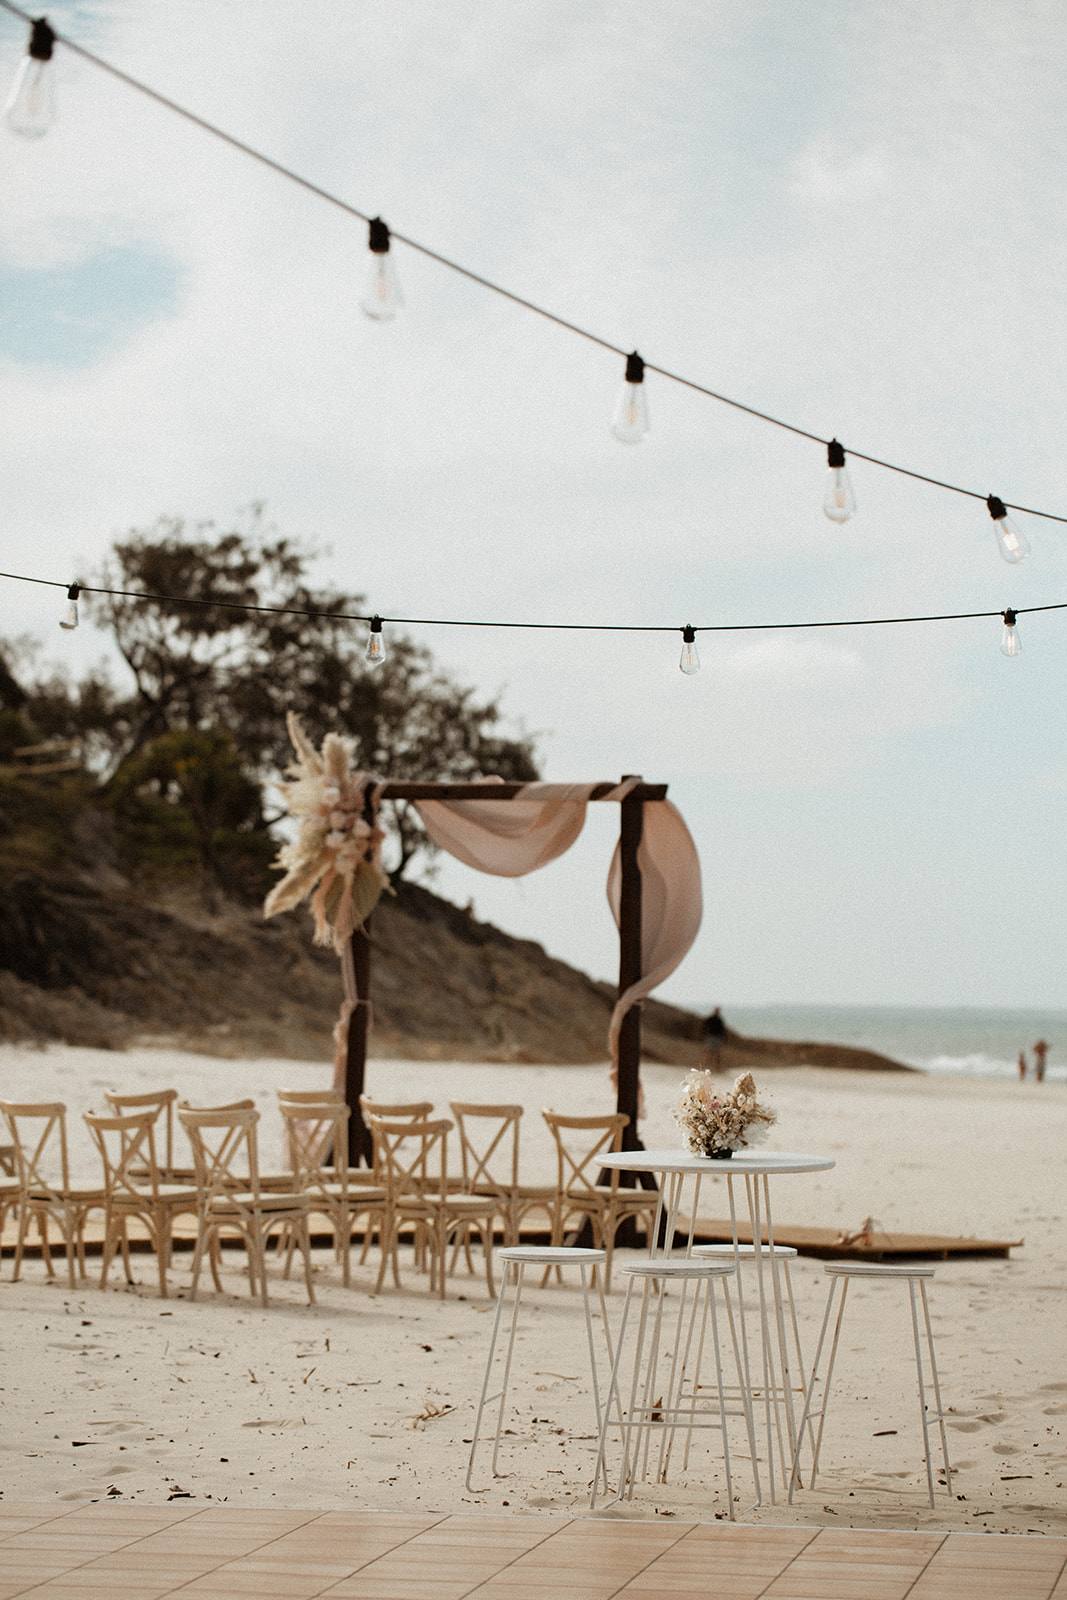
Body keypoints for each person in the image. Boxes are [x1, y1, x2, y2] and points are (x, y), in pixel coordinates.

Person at [699, 1006, 727, 1073]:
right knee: (710, 1053)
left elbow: (722, 1030)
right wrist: (704, 1035)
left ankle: (716, 1068)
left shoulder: (718, 1020)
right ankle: (706, 1067)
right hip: (711, 1037)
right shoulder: (712, 1019)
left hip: (715, 1037)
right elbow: (704, 1027)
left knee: (715, 1054)